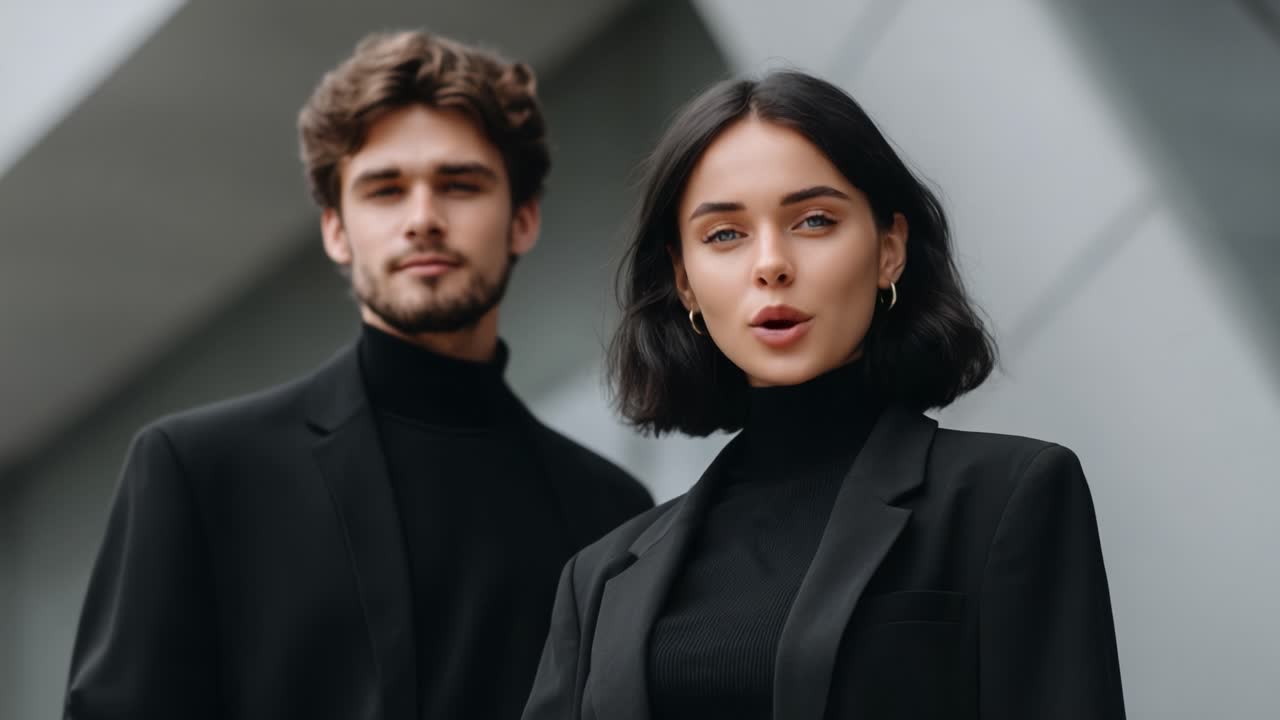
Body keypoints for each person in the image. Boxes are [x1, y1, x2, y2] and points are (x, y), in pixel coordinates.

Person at [65, 30, 652, 720]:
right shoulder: (200, 471)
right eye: (384, 189)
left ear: (522, 219)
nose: (423, 219)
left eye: (460, 184)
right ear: (335, 230)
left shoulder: (613, 517)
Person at [522, 70, 1125, 720]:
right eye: (725, 234)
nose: (771, 263)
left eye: (813, 220)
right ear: (685, 282)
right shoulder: (599, 578)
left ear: (890, 249)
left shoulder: (1009, 495)